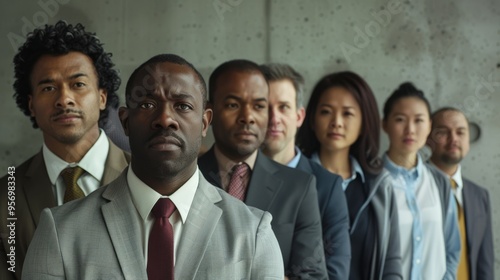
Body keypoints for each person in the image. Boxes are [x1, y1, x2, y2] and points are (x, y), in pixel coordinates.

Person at [22, 54, 284, 279]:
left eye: (183, 106)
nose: (165, 119)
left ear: (205, 123)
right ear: (125, 121)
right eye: (147, 104)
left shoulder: (253, 233)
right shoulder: (61, 231)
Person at [0, 21, 130, 280]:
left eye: (78, 84)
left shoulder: (145, 176)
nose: (64, 99)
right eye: (48, 88)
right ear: (32, 104)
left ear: (102, 96)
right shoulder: (6, 193)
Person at [198, 59, 327, 279]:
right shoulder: (187, 177)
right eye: (232, 105)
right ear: (209, 113)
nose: (247, 117)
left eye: (259, 106)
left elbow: (312, 275)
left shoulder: (299, 187)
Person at [296, 71, 403, 280]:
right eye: (326, 112)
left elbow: (391, 261)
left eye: (347, 113)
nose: (336, 122)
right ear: (311, 119)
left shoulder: (379, 185)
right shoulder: (294, 178)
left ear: (364, 122)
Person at [260, 63, 351, 279]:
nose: (274, 118)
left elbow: (336, 272)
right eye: (264, 107)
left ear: (299, 116)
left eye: (283, 107)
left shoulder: (327, 186)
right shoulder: (236, 178)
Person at [381, 82, 460, 280]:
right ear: (385, 125)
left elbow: (452, 248)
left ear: (429, 127)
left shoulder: (440, 183)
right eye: (400, 119)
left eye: (419, 120)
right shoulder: (372, 183)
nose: (410, 129)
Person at [428, 107, 494, 280]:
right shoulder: (415, 187)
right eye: (443, 132)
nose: (454, 139)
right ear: (428, 138)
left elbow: (484, 263)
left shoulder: (479, 196)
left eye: (460, 132)